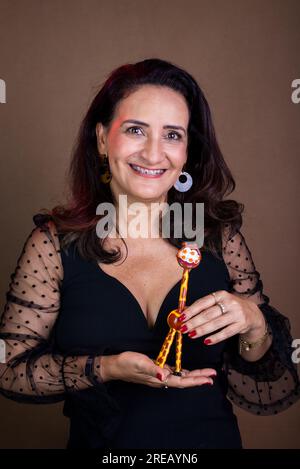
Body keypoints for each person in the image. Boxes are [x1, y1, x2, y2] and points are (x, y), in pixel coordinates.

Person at [0, 58, 299, 449]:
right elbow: (9, 369)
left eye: (172, 135)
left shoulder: (217, 239)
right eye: (136, 130)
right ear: (103, 138)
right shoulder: (54, 245)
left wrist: (255, 323)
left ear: (188, 151)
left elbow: (264, 375)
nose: (154, 153)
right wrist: (106, 368)